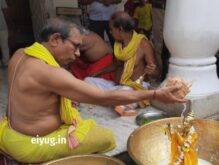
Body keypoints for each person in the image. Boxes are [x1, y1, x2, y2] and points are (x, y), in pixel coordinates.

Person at [0, 17, 185, 163]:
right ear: (56, 39)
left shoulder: (20, 54)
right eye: (75, 46)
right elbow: (105, 97)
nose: (78, 53)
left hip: (10, 132)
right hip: (34, 143)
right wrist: (154, 94)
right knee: (106, 137)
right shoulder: (49, 73)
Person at [86, 11, 160, 116]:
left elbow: (157, 73)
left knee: (125, 92)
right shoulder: (118, 45)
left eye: (111, 29)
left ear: (120, 29)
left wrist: (152, 71)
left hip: (135, 87)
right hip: (118, 87)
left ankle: (117, 102)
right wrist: (97, 72)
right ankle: (118, 102)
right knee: (88, 81)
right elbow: (116, 65)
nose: (110, 32)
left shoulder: (143, 44)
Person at [0, 0, 9, 67]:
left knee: (4, 46)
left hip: (2, 26)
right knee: (4, 46)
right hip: (2, 26)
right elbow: (5, 11)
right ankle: (6, 62)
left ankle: (5, 62)